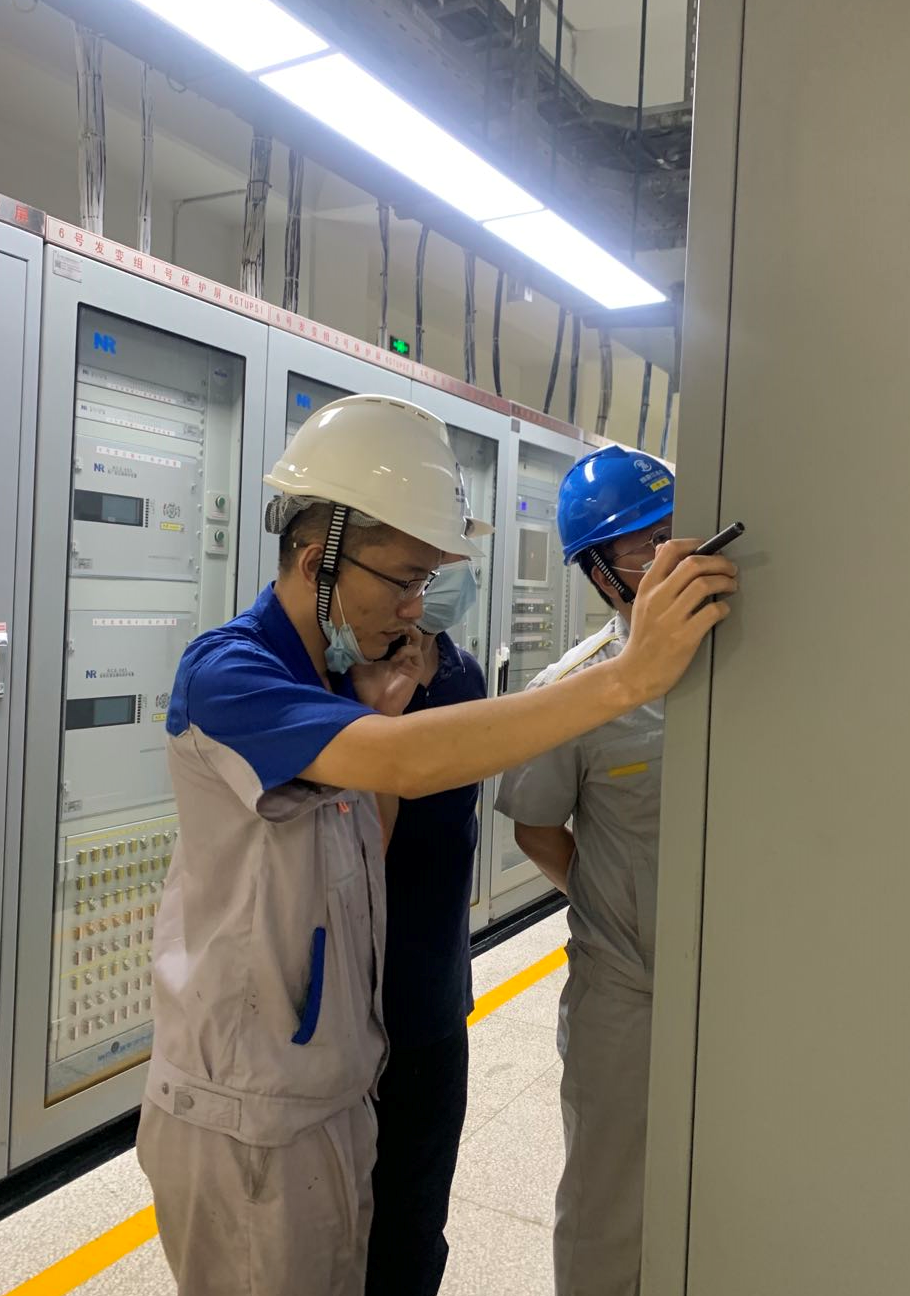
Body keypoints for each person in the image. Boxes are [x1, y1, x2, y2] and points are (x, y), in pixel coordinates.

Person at [136, 397, 737, 1296]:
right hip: (248, 1100)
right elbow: (406, 763)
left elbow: (363, 855)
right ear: (319, 560)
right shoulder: (230, 674)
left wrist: (379, 714)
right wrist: (627, 678)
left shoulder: (348, 680)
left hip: (338, 1074)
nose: (419, 607)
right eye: (405, 579)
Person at [495, 443, 679, 1296]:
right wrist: (617, 911)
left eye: (676, 531)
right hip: (627, 989)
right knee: (610, 1205)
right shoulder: (574, 692)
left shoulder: (754, 666)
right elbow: (538, 829)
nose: (669, 554)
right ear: (601, 574)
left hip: (748, 982)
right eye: (645, 545)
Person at [361, 561, 486, 1296]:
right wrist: (385, 717)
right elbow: (357, 846)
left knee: (415, 1216)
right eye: (422, 565)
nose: (443, 579)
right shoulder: (345, 679)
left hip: (436, 992)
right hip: (357, 1001)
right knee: (347, 1220)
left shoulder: (465, 675)